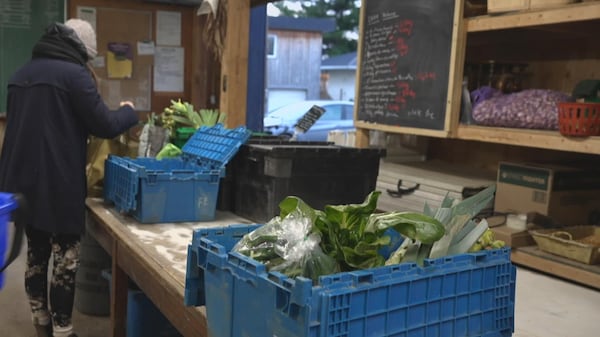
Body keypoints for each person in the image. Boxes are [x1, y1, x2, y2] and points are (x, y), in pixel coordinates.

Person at [0, 19, 139, 337]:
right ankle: (64, 330)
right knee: (65, 259)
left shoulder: (21, 74)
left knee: (35, 255)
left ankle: (42, 324)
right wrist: (128, 111)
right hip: (59, 183)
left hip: (22, 184)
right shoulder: (74, 75)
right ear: (81, 49)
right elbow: (103, 124)